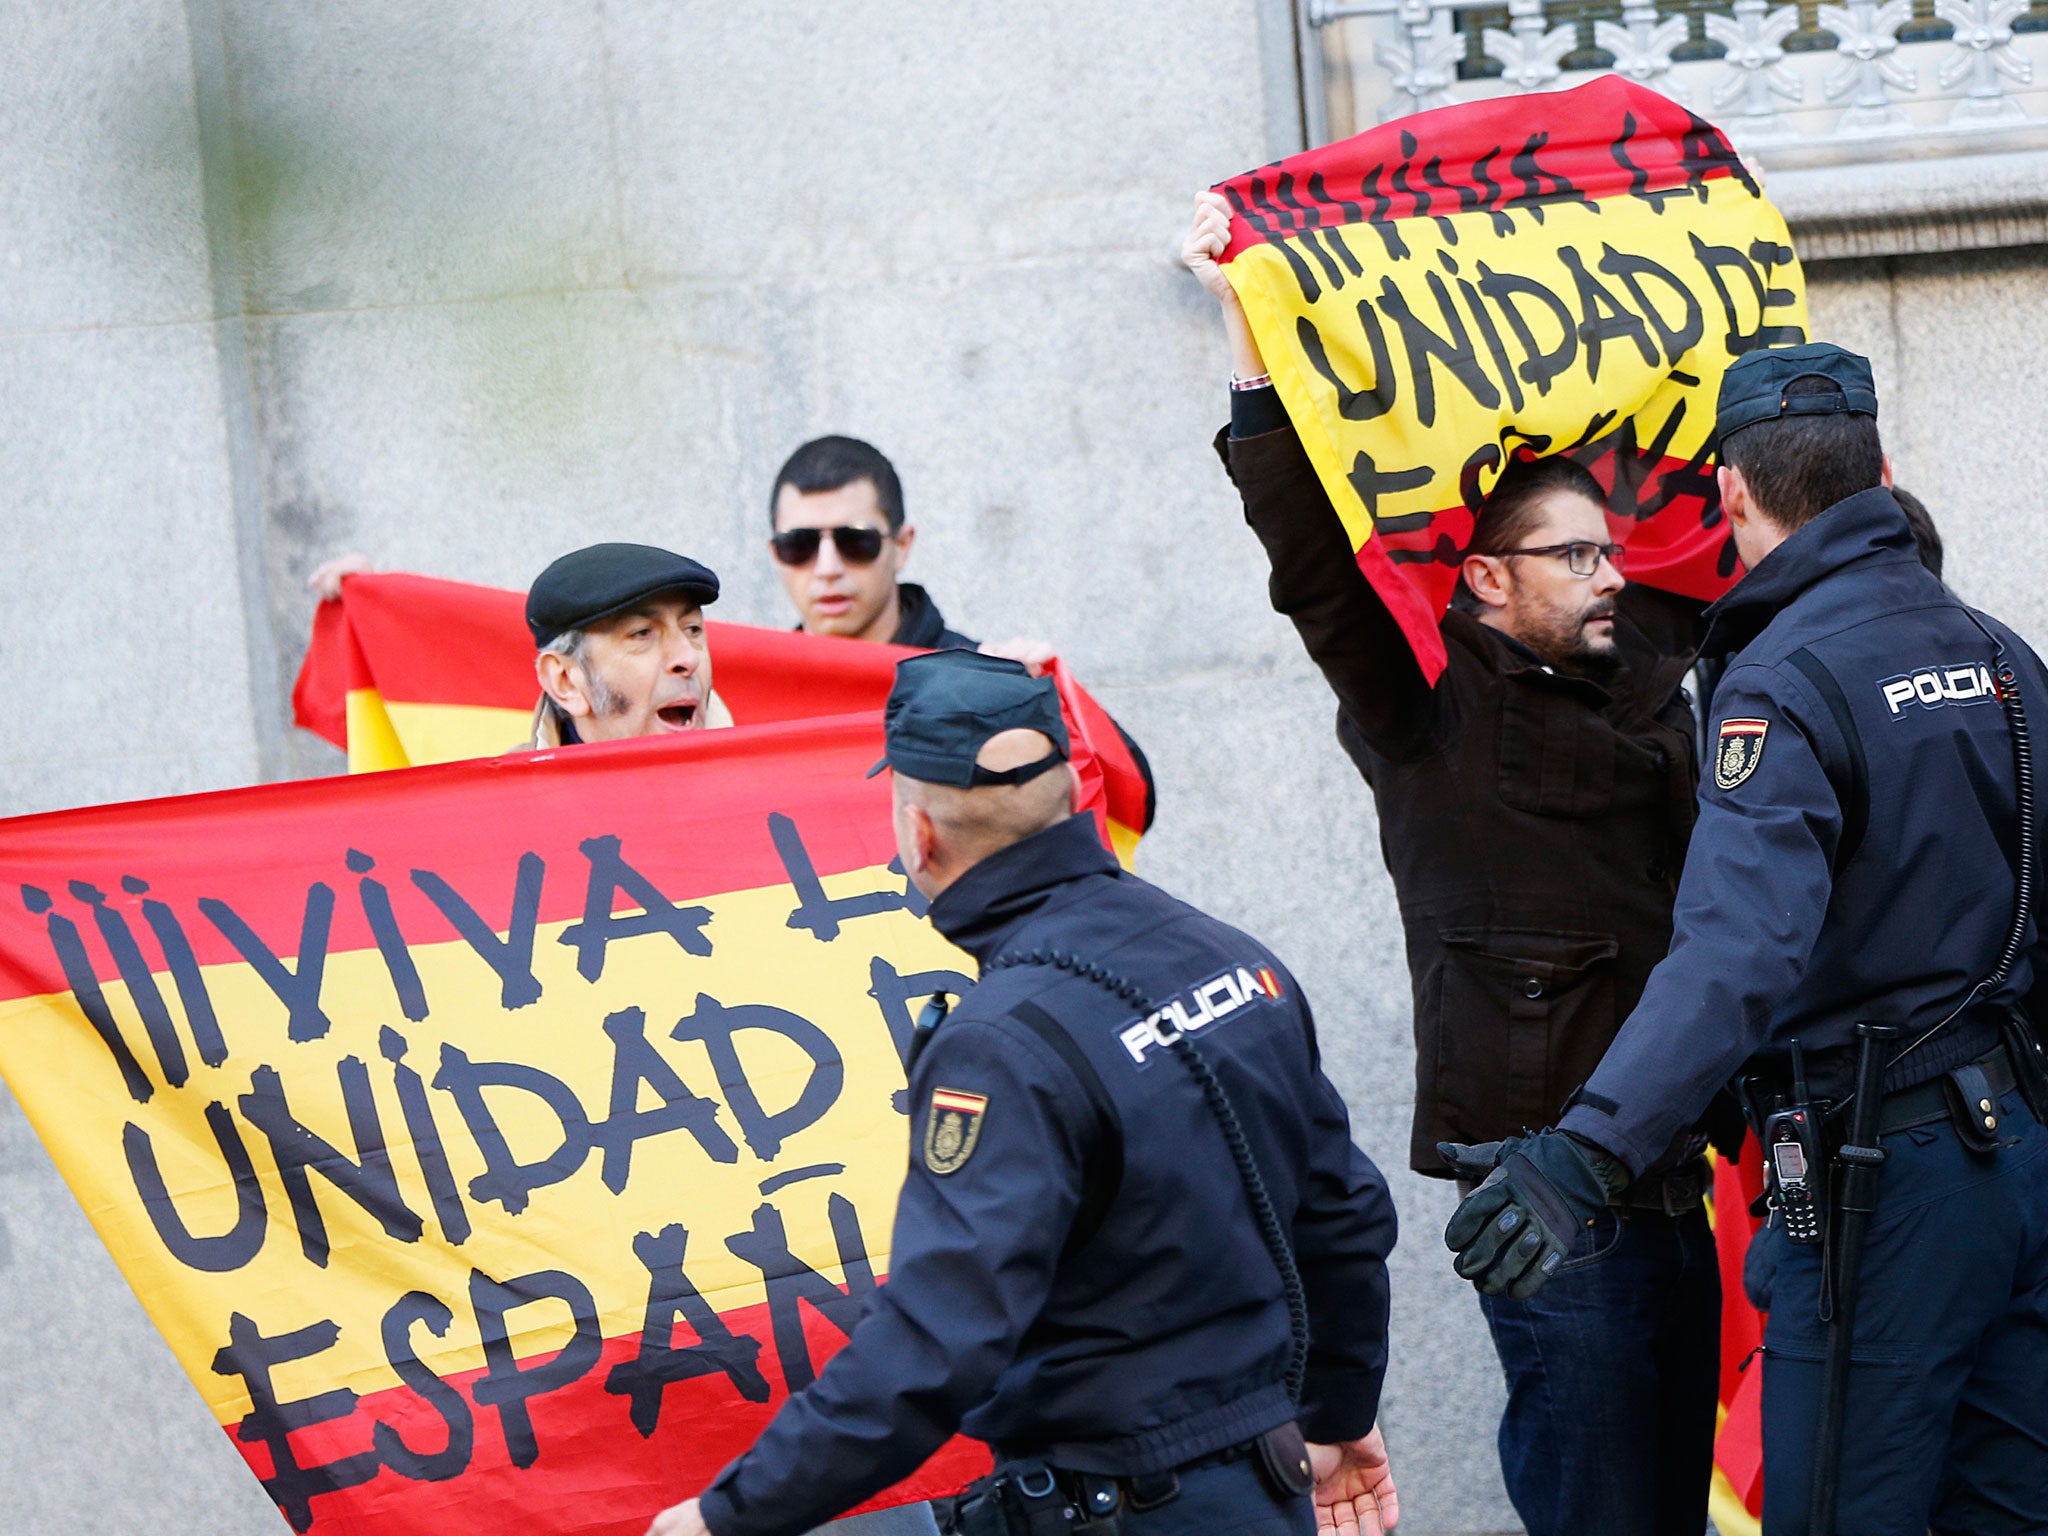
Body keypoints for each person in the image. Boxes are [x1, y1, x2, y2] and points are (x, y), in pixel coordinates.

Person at [1181, 191, 1723, 1536]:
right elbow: (1314, 570)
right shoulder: (1426, 707)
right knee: (1598, 1506)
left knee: (1666, 1505)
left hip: (1664, 1162)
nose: (1611, 575)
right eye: (1575, 555)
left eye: (1613, 550)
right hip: (1541, 1183)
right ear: (1485, 580)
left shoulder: (1650, 671)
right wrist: (1257, 348)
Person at [1443, 343, 2048, 1535]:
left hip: (1881, 1184)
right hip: (2016, 1160)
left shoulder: (1781, 682)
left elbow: (1735, 953)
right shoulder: (1998, 655)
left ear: (1729, 494)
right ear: (1880, 468)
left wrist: (1584, 1153)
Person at [645, 649, 1402, 1536]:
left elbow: (935, 1342)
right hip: (1262, 1489)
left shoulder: (998, 1048)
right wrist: (1339, 1414)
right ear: (1072, 801)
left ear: (918, 835)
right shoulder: (1225, 954)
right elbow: (1345, 1214)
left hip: (1121, 1509)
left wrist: (726, 1517)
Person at [768, 435, 1158, 831]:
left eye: (856, 541)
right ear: (773, 555)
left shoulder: (981, 677)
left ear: (902, 546)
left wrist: (1046, 706)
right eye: (799, 545)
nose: (827, 567)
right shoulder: (743, 703)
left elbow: (1132, 794)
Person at [518, 542, 730, 749]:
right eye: (642, 633)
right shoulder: (504, 784)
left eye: (693, 629)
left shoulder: (756, 780)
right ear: (565, 682)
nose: (688, 658)